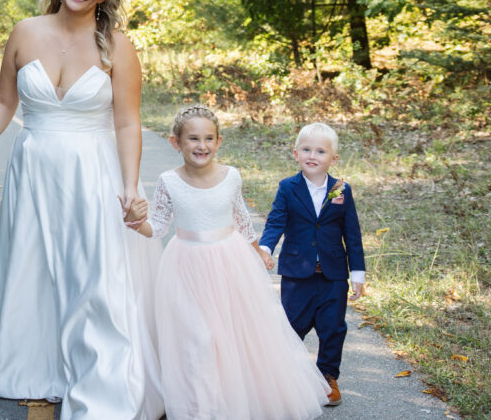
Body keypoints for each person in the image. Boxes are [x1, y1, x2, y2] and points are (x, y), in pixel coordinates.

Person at [0, 0, 165, 420]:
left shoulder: (116, 44)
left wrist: (131, 184)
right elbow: (2, 102)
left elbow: (127, 122)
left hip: (92, 170)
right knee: (32, 259)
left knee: (92, 270)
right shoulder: (25, 32)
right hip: (33, 169)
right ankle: (31, 364)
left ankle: (99, 374)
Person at [129, 105, 330, 420]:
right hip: (186, 266)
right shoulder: (169, 181)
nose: (202, 145)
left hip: (229, 262)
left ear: (219, 142)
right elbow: (158, 227)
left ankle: (231, 401)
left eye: (209, 138)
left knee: (231, 335)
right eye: (193, 138)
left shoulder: (230, 176)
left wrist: (258, 250)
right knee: (197, 337)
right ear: (175, 143)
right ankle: (199, 407)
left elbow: (242, 219)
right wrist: (135, 222)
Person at [259, 122, 366, 407]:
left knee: (333, 328)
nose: (312, 155)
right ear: (296, 153)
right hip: (297, 273)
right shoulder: (288, 187)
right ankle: (284, 377)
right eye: (306, 149)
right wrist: (265, 248)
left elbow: (352, 234)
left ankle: (328, 377)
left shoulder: (342, 190)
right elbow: (276, 221)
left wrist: (358, 274)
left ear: (333, 159)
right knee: (292, 326)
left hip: (333, 276)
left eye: (320, 151)